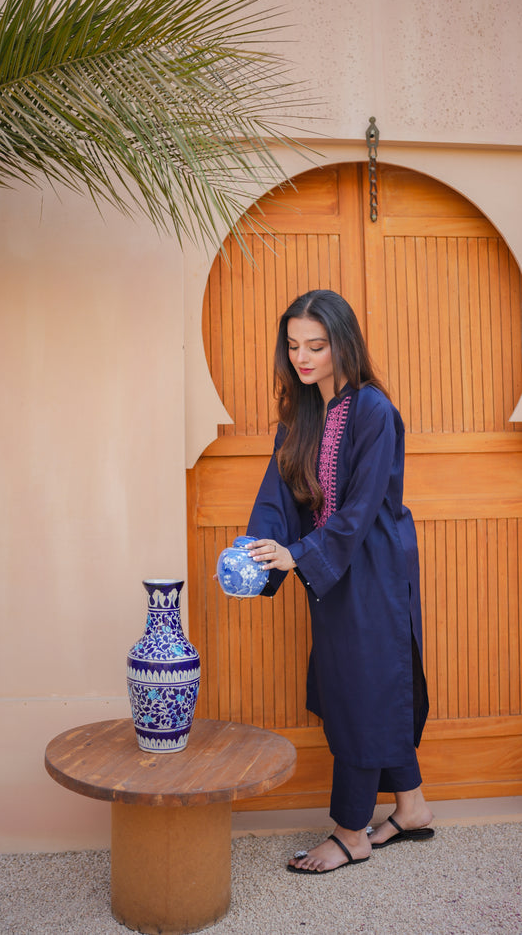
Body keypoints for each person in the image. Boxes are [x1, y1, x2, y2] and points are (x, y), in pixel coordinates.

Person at [245, 289, 434, 874]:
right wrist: (257, 554)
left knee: (362, 691)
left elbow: (358, 511)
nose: (302, 358)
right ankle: (411, 808)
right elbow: (277, 494)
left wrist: (299, 554)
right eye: (293, 346)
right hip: (327, 569)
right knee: (359, 685)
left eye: (316, 346)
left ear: (342, 344)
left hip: (371, 567)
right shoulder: (302, 414)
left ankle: (352, 832)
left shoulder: (374, 410)